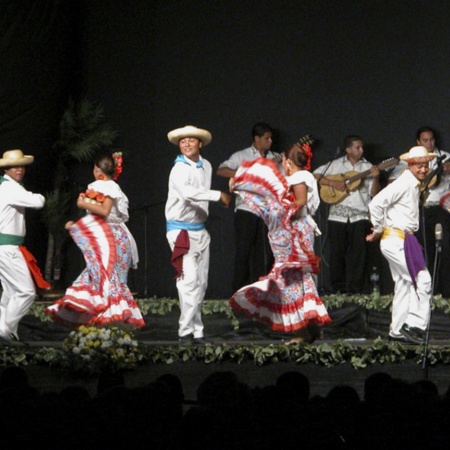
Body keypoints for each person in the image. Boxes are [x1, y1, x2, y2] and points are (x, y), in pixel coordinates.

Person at [230, 143, 331, 344]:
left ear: (287, 161)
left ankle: (300, 332)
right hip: (290, 231)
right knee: (296, 279)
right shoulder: (295, 178)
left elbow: (300, 201)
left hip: (294, 232)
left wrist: (283, 213)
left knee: (292, 279)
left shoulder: (300, 177)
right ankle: (310, 329)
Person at [46, 151, 145, 328]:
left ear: (97, 170)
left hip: (109, 238)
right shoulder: (115, 187)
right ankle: (109, 324)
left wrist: (82, 204)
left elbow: (105, 211)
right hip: (115, 236)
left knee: (107, 279)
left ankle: (110, 323)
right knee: (108, 278)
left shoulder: (103, 185)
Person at [165, 125, 231, 344]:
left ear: (199, 144)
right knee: (188, 281)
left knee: (201, 282)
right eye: (183, 142)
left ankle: (197, 330)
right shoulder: (179, 169)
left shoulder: (207, 166)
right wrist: (218, 195)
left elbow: (200, 197)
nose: (186, 144)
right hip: (181, 231)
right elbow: (188, 194)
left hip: (200, 230)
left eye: (191, 141)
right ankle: (185, 331)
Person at [366, 146, 435, 344]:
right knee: (423, 280)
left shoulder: (413, 184)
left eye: (425, 166)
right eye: (419, 166)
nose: (423, 169)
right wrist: (378, 228)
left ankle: (396, 330)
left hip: (404, 239)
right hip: (396, 240)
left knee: (404, 285)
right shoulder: (404, 183)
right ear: (410, 165)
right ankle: (413, 325)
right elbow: (376, 204)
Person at [313, 135, 380, 294]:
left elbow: (374, 194)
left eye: (362, 147)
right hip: (337, 217)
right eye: (357, 147)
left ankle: (356, 292)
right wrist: (332, 183)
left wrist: (376, 178)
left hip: (360, 218)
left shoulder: (368, 166)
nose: (361, 150)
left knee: (358, 256)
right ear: (348, 149)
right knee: (336, 255)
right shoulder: (335, 165)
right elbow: (314, 175)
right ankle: (338, 291)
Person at [389, 126, 450, 298]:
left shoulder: (445, 157)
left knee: (444, 249)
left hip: (441, 210)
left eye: (431, 139)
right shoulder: (410, 160)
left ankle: (445, 292)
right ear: (418, 142)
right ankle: (426, 292)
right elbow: (392, 180)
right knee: (423, 249)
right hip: (419, 209)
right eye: (425, 140)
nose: (429, 143)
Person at [217, 122, 276, 291]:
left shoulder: (274, 157)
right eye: (266, 138)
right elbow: (221, 169)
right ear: (256, 139)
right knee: (243, 251)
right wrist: (245, 174)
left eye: (271, 138)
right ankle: (238, 292)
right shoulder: (241, 155)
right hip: (246, 210)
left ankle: (261, 291)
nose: (270, 141)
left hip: (267, 211)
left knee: (264, 253)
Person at [0, 149, 46, 346]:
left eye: (22, 166)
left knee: (10, 294)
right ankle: (4, 330)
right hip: (7, 247)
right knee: (26, 292)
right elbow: (38, 201)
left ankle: (7, 334)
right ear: (6, 169)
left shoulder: (10, 187)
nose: (19, 169)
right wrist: (35, 195)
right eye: (15, 166)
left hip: (8, 247)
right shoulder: (10, 189)